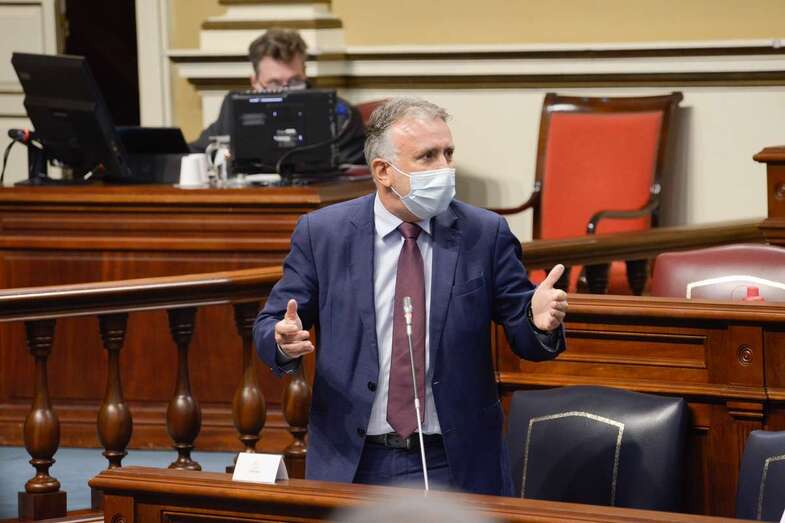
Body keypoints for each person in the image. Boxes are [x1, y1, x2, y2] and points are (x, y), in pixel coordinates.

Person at [253, 97, 567, 496]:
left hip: (455, 461)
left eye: (448, 153)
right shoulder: (324, 234)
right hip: (354, 459)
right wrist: (281, 341)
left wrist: (538, 323)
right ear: (383, 171)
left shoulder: (483, 234)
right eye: (428, 156)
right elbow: (271, 326)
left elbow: (526, 337)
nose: (445, 168)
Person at [189, 28, 366, 165]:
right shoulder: (235, 108)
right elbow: (198, 153)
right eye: (274, 84)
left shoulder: (340, 116)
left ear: (305, 75)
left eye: (295, 81)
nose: (286, 91)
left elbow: (350, 177)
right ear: (255, 82)